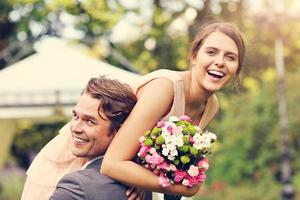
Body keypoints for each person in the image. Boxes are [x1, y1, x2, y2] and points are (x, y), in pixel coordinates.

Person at [22, 22, 246, 199]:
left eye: (230, 57)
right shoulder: (165, 88)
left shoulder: (211, 105)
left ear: (237, 67)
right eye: (212, 52)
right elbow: (112, 163)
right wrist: (181, 189)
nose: (220, 62)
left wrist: (141, 178)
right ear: (194, 57)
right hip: (82, 161)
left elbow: (156, 161)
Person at [21, 76, 149, 199]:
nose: (75, 128)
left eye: (89, 121)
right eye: (76, 116)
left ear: (119, 130)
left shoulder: (76, 187)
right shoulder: (143, 180)